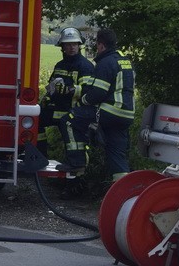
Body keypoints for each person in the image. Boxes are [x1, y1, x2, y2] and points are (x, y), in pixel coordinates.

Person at [59, 28, 136, 181]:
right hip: (126, 115)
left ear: (100, 45)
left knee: (68, 120)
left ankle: (77, 163)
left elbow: (98, 93)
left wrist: (83, 102)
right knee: (116, 153)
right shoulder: (125, 61)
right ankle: (123, 193)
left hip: (109, 111)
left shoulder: (105, 62)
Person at [38, 27, 95, 159]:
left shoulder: (85, 66)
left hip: (74, 111)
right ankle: (40, 156)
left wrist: (69, 90)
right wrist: (47, 98)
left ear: (79, 45)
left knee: (71, 138)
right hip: (57, 110)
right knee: (35, 119)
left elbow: (88, 90)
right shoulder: (59, 65)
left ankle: (74, 165)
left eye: (75, 44)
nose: (72, 47)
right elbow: (51, 86)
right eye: (68, 44)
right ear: (62, 47)